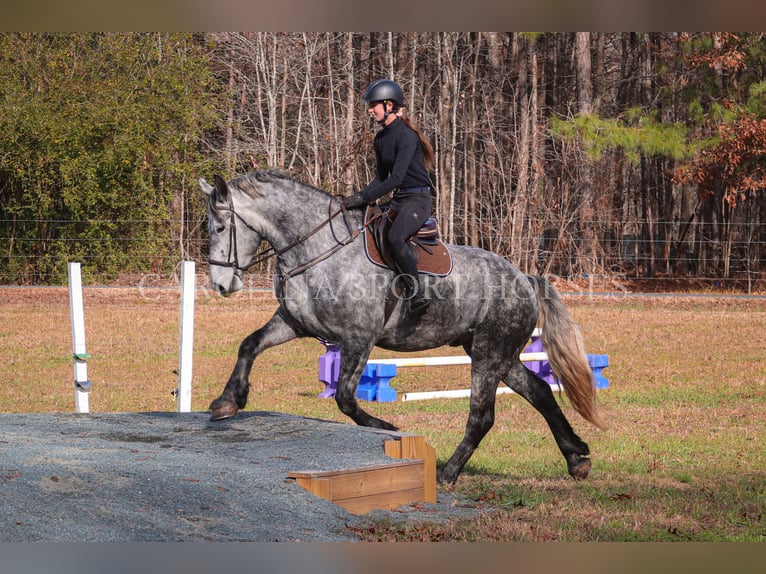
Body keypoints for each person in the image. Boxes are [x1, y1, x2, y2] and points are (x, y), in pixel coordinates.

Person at [342, 79, 435, 317]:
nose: (370, 110)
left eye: (373, 105)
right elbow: (381, 178)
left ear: (389, 105)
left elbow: (396, 179)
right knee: (366, 228)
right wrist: (357, 200)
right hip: (398, 200)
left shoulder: (407, 137)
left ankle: (417, 294)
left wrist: (364, 197)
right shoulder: (380, 139)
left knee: (395, 238)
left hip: (418, 201)